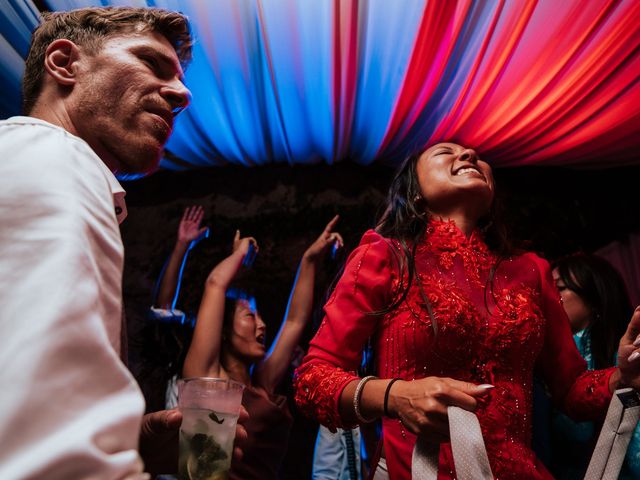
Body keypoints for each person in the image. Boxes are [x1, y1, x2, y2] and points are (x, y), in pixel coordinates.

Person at [293, 142, 640, 479]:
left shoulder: (531, 271)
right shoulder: (384, 257)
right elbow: (312, 380)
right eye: (445, 152)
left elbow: (572, 390)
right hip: (417, 470)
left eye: (475, 156)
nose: (469, 154)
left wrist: (622, 376)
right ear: (414, 192)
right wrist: (393, 395)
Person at [0, 7, 231, 479]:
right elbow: (49, 453)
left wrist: (135, 442)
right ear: (65, 63)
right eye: (151, 61)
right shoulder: (54, 156)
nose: (183, 94)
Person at [182, 217, 343, 479]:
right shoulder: (208, 377)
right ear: (222, 330)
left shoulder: (263, 383)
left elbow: (294, 321)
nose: (262, 325)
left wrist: (309, 259)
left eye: (259, 316)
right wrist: (239, 254)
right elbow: (215, 284)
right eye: (249, 316)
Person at [550, 253, 637, 478]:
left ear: (594, 295)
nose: (549, 298)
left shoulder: (626, 358)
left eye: (559, 289)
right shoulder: (544, 358)